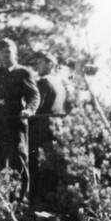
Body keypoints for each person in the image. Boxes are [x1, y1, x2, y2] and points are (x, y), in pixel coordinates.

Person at [0, 38, 41, 198]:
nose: (5, 55)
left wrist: (29, 110)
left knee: (17, 161)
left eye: (8, 52)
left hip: (15, 123)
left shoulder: (23, 72)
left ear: (15, 54)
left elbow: (34, 95)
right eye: (2, 52)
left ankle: (19, 199)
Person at [29, 53, 70, 196]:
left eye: (40, 63)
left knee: (36, 166)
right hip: (57, 129)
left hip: (41, 129)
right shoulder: (61, 83)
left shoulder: (44, 81)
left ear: (50, 64)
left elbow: (36, 107)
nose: (37, 66)